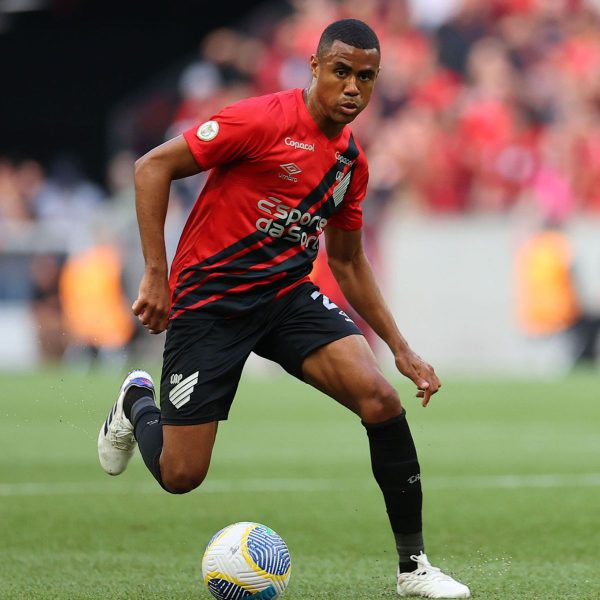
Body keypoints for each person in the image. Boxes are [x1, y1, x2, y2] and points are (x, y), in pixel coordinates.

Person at [98, 19, 470, 598]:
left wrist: (400, 347)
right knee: (180, 475)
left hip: (286, 297)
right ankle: (136, 401)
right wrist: (156, 271)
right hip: (213, 302)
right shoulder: (260, 120)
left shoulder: (350, 163)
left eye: (365, 77)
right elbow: (152, 167)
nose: (352, 87)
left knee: (380, 400)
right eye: (341, 72)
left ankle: (414, 568)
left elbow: (348, 263)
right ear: (315, 68)